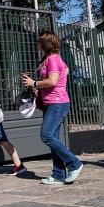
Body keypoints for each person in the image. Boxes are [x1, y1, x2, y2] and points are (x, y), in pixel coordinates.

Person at [22, 31, 83, 185]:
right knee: (53, 138)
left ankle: (73, 163)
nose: (37, 44)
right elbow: (66, 71)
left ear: (45, 43)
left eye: (39, 42)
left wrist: (35, 83)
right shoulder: (50, 59)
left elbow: (53, 80)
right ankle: (58, 175)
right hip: (52, 102)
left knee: (46, 135)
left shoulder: (53, 59)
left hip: (57, 103)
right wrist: (39, 88)